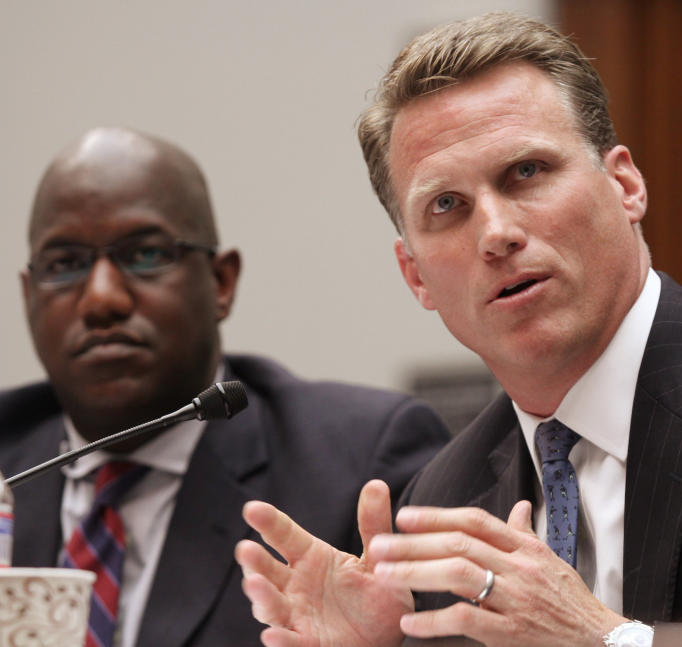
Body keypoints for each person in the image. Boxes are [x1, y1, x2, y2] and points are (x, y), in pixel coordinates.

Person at [235, 12, 682, 647]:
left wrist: (610, 641)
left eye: (526, 171)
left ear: (625, 185)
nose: (496, 232)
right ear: (416, 276)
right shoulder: (443, 493)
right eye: (448, 205)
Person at [0, 127, 449, 647]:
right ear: (28, 296)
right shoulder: (11, 452)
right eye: (65, 265)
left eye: (144, 254)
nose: (101, 298)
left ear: (221, 283)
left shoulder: (364, 463)